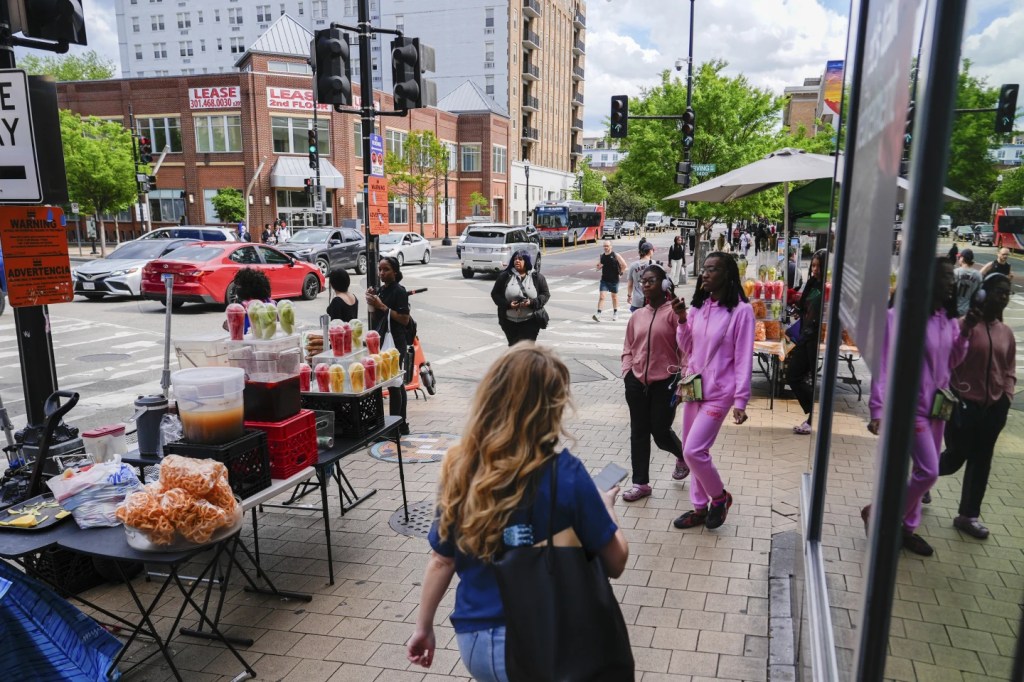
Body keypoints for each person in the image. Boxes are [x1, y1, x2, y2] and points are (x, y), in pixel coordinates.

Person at [406, 344, 630, 679]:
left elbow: (442, 560)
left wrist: (423, 628)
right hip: (545, 637)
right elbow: (615, 563)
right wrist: (607, 509)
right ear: (552, 409)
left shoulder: (462, 467)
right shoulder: (567, 475)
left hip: (477, 639)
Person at [865, 258, 974, 556]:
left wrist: (965, 334)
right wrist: (878, 409)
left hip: (938, 407)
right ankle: (881, 514)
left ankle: (907, 528)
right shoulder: (898, 317)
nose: (952, 282)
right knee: (928, 471)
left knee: (921, 472)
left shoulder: (946, 319)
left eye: (952, 277)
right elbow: (883, 366)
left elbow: (951, 363)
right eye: (946, 276)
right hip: (908, 407)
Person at [670, 253, 754, 530]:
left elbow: (743, 358)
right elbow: (686, 347)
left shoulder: (741, 311)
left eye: (712, 269)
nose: (705, 274)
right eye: (704, 269)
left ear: (727, 275)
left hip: (720, 391)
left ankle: (719, 498)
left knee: (694, 451)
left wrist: (741, 399)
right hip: (694, 385)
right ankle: (699, 508)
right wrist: (682, 319)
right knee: (691, 448)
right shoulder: (698, 306)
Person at [939, 273, 1015, 539]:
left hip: (993, 408)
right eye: (999, 292)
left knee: (982, 462)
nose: (1004, 297)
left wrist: (1006, 397)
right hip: (963, 407)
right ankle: (921, 475)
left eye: (1007, 293)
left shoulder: (1006, 332)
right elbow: (947, 361)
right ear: (983, 294)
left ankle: (968, 516)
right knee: (954, 458)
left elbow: (1009, 369)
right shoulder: (965, 325)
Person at [620, 264, 687, 501]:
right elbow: (628, 346)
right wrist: (627, 372)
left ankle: (684, 455)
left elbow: (686, 346)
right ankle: (641, 484)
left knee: (659, 431)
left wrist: (682, 318)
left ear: (665, 284)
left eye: (651, 281)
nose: (646, 285)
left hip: (666, 382)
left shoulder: (673, 313)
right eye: (643, 281)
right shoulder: (638, 315)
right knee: (638, 431)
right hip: (636, 381)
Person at [367, 257, 412, 434]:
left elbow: (404, 319)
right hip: (383, 340)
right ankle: (401, 424)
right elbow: (377, 318)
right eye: (380, 269)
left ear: (395, 271)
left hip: (395, 341)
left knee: (394, 383)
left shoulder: (399, 291)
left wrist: (383, 306)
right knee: (397, 383)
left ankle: (395, 428)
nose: (381, 273)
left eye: (386, 269)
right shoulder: (382, 290)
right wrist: (372, 302)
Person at [786, 250, 827, 435]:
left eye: (819, 265)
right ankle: (817, 411)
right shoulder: (811, 283)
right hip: (805, 335)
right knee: (793, 375)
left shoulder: (829, 286)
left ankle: (813, 418)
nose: (816, 269)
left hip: (817, 337)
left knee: (809, 377)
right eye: (814, 265)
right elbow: (802, 306)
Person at [490, 250, 550, 345]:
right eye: (515, 259)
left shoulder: (536, 277)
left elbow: (545, 294)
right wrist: (508, 305)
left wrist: (532, 302)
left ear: (526, 261)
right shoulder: (505, 276)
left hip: (530, 321)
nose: (517, 261)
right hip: (509, 322)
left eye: (520, 259)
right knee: (514, 350)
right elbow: (495, 294)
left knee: (526, 351)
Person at [222, 267, 272, 334]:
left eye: (238, 286)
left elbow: (242, 331)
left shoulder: (245, 309)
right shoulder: (270, 304)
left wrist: (230, 325)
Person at [593, 241, 627, 322]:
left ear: (611, 246)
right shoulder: (602, 256)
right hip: (604, 280)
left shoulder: (616, 255)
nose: (605, 247)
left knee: (614, 297)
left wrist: (621, 273)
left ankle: (615, 313)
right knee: (602, 297)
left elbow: (624, 265)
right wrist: (598, 267)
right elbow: (598, 266)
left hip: (614, 280)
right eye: (604, 246)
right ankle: (598, 314)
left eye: (607, 246)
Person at [626, 242, 655, 312]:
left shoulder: (633, 265)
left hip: (637, 300)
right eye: (653, 250)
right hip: (651, 299)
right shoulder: (653, 263)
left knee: (637, 321)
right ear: (650, 251)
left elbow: (630, 284)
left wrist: (629, 296)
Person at [953, 248, 983, 316]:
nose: (958, 259)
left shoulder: (956, 272)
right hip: (968, 311)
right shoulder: (978, 275)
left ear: (962, 258)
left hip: (954, 309)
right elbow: (979, 295)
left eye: (959, 257)